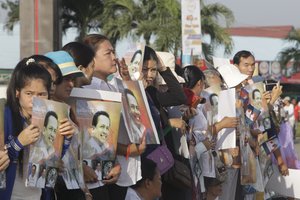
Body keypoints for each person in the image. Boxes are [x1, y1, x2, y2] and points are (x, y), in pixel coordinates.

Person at [0, 59, 52, 199]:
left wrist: (66, 140)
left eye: (42, 94)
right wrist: (19, 143)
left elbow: (55, 159)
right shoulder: (5, 116)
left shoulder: (51, 119)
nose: (35, 100)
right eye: (29, 93)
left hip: (37, 195)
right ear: (18, 92)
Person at [83, 34, 123, 200]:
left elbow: (110, 138)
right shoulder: (85, 90)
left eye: (114, 52)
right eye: (108, 53)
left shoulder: (112, 88)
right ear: (92, 59)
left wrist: (115, 163)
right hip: (88, 178)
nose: (114, 58)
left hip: (107, 174)